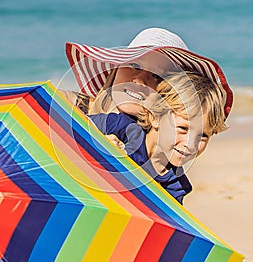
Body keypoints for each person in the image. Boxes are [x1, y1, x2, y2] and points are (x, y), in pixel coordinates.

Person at [87, 71, 227, 205]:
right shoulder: (118, 128)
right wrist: (97, 143)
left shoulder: (175, 187)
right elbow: (70, 129)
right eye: (183, 129)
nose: (190, 144)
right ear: (155, 117)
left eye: (203, 136)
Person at [65, 27, 233, 120]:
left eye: (157, 76)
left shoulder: (153, 153)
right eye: (134, 65)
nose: (140, 80)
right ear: (116, 67)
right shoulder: (67, 106)